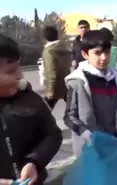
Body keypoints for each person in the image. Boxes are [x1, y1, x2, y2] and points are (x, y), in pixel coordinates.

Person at [0, 34, 62, 185]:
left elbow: (52, 134)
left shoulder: (29, 98)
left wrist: (34, 161)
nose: (20, 75)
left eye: (18, 67)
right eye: (10, 71)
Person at [63, 30, 117, 158]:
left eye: (107, 52)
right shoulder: (78, 81)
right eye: (97, 53)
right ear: (85, 54)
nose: (104, 57)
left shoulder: (115, 78)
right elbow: (69, 117)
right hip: (91, 147)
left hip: (113, 141)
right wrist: (86, 134)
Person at [42, 26, 71, 109]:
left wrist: (50, 90)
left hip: (55, 86)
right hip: (65, 83)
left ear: (45, 37)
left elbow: (51, 72)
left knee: (44, 111)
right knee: (74, 108)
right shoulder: (64, 48)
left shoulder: (48, 51)